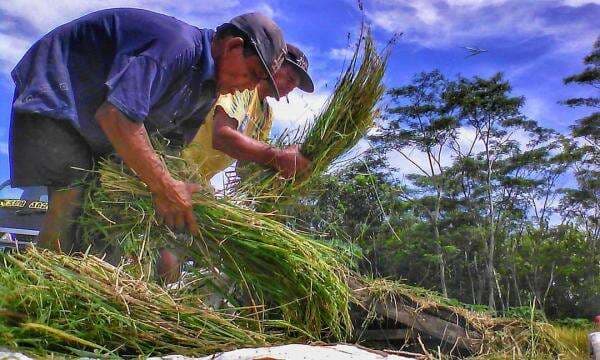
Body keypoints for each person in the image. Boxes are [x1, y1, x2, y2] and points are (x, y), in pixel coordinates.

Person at [8, 8, 308, 258]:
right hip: (57, 95)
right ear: (232, 47)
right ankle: (44, 292)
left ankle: (78, 298)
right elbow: (116, 116)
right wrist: (165, 186)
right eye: (253, 74)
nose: (251, 87)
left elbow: (168, 148)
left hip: (94, 129)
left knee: (105, 220)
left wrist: (192, 191)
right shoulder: (177, 47)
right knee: (71, 197)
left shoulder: (206, 90)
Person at [156, 44, 315, 282]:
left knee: (216, 245)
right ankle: (157, 294)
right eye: (289, 76)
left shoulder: (266, 114)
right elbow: (222, 136)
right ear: (274, 64)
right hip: (175, 165)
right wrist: (278, 157)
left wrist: (273, 187)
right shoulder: (242, 86)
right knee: (173, 241)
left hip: (200, 180)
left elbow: (247, 165)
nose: (289, 86)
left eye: (295, 84)